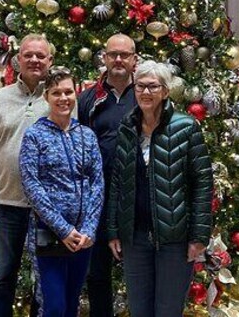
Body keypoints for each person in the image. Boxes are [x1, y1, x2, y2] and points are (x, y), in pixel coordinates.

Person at [106, 61, 213, 317]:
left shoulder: (186, 127)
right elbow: (118, 181)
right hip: (135, 237)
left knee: (167, 309)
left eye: (153, 86)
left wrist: (199, 236)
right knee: (140, 309)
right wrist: (113, 230)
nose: (145, 92)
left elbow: (202, 183)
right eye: (140, 86)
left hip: (174, 238)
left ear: (165, 91)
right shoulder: (127, 127)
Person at [20, 67, 104, 317]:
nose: (63, 98)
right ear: (46, 97)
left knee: (71, 302)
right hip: (50, 234)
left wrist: (89, 228)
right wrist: (63, 229)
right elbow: (31, 185)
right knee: (53, 305)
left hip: (83, 237)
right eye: (56, 93)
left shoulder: (86, 135)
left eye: (68, 92)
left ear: (76, 94)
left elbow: (97, 182)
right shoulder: (35, 135)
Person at [0, 34, 53, 317]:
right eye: (28, 55)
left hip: (46, 207)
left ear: (50, 61)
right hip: (8, 204)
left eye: (41, 56)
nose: (34, 60)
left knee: (43, 278)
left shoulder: (59, 98)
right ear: (18, 59)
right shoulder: (0, 98)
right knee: (3, 275)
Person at [77, 34, 137, 317]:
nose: (118, 60)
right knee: (98, 270)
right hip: (98, 198)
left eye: (124, 55)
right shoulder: (88, 99)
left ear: (134, 59)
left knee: (139, 269)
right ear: (104, 57)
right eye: (113, 54)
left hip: (136, 197)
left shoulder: (146, 94)